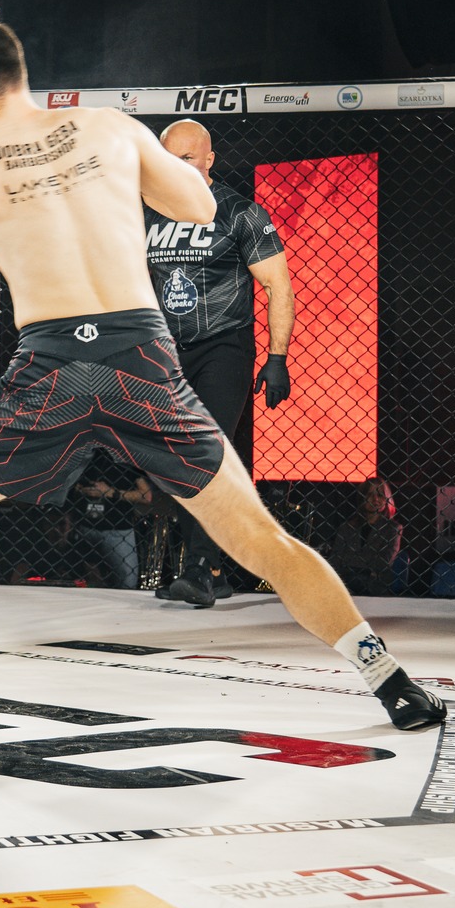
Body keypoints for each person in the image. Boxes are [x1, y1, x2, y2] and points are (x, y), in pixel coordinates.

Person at [0, 9, 444, 731]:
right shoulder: (111, 128)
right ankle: (392, 683)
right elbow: (199, 204)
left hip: (52, 368)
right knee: (261, 538)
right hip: (142, 358)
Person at [144, 118, 294, 607]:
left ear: (209, 160)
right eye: (168, 159)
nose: (176, 167)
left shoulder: (239, 212)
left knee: (206, 449)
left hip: (223, 346)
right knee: (177, 459)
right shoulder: (146, 212)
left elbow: (277, 285)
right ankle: (213, 568)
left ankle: (197, 569)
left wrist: (276, 357)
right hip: (167, 351)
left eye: (186, 158)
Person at [71, 450, 151, 589]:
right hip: (85, 526)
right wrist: (83, 490)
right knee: (86, 580)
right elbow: (71, 486)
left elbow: (146, 496)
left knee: (127, 582)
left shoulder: (127, 457)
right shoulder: (87, 454)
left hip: (118, 529)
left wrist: (110, 492)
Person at [330, 477, 400, 597]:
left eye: (380, 495)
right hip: (345, 582)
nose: (375, 499)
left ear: (387, 499)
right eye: (370, 494)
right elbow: (335, 560)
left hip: (375, 585)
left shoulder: (393, 529)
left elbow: (384, 562)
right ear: (363, 498)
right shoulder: (347, 527)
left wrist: (350, 564)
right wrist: (366, 566)